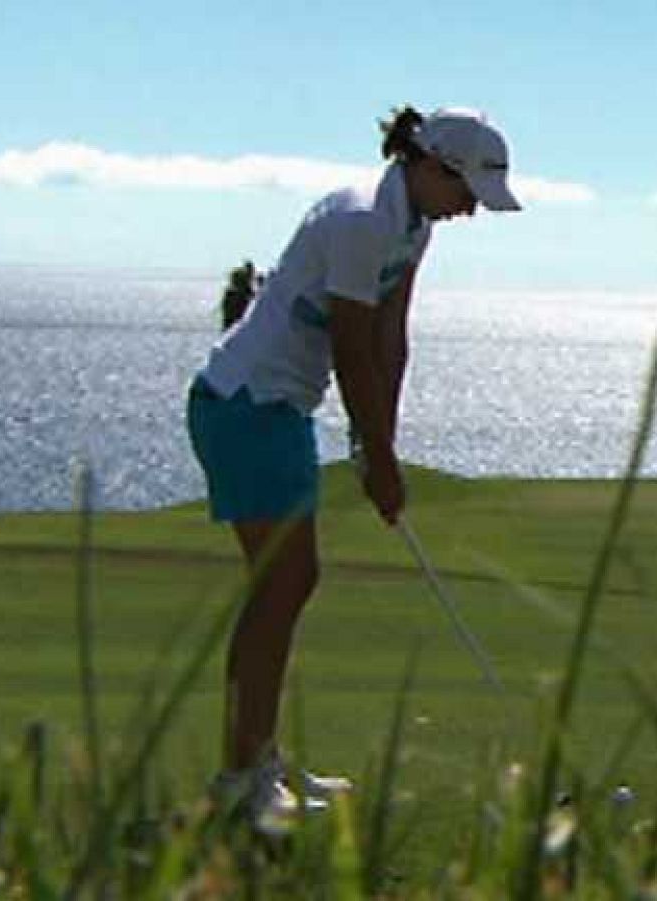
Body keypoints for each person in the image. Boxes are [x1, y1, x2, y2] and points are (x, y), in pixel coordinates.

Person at [186, 105, 522, 827]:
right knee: (284, 581)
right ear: (431, 167)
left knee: (286, 583)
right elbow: (348, 347)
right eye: (467, 193)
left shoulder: (412, 224)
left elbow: (389, 339)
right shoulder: (362, 219)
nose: (470, 211)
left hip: (279, 411)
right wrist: (381, 456)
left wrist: (380, 448)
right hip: (243, 403)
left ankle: (255, 763)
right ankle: (242, 777)